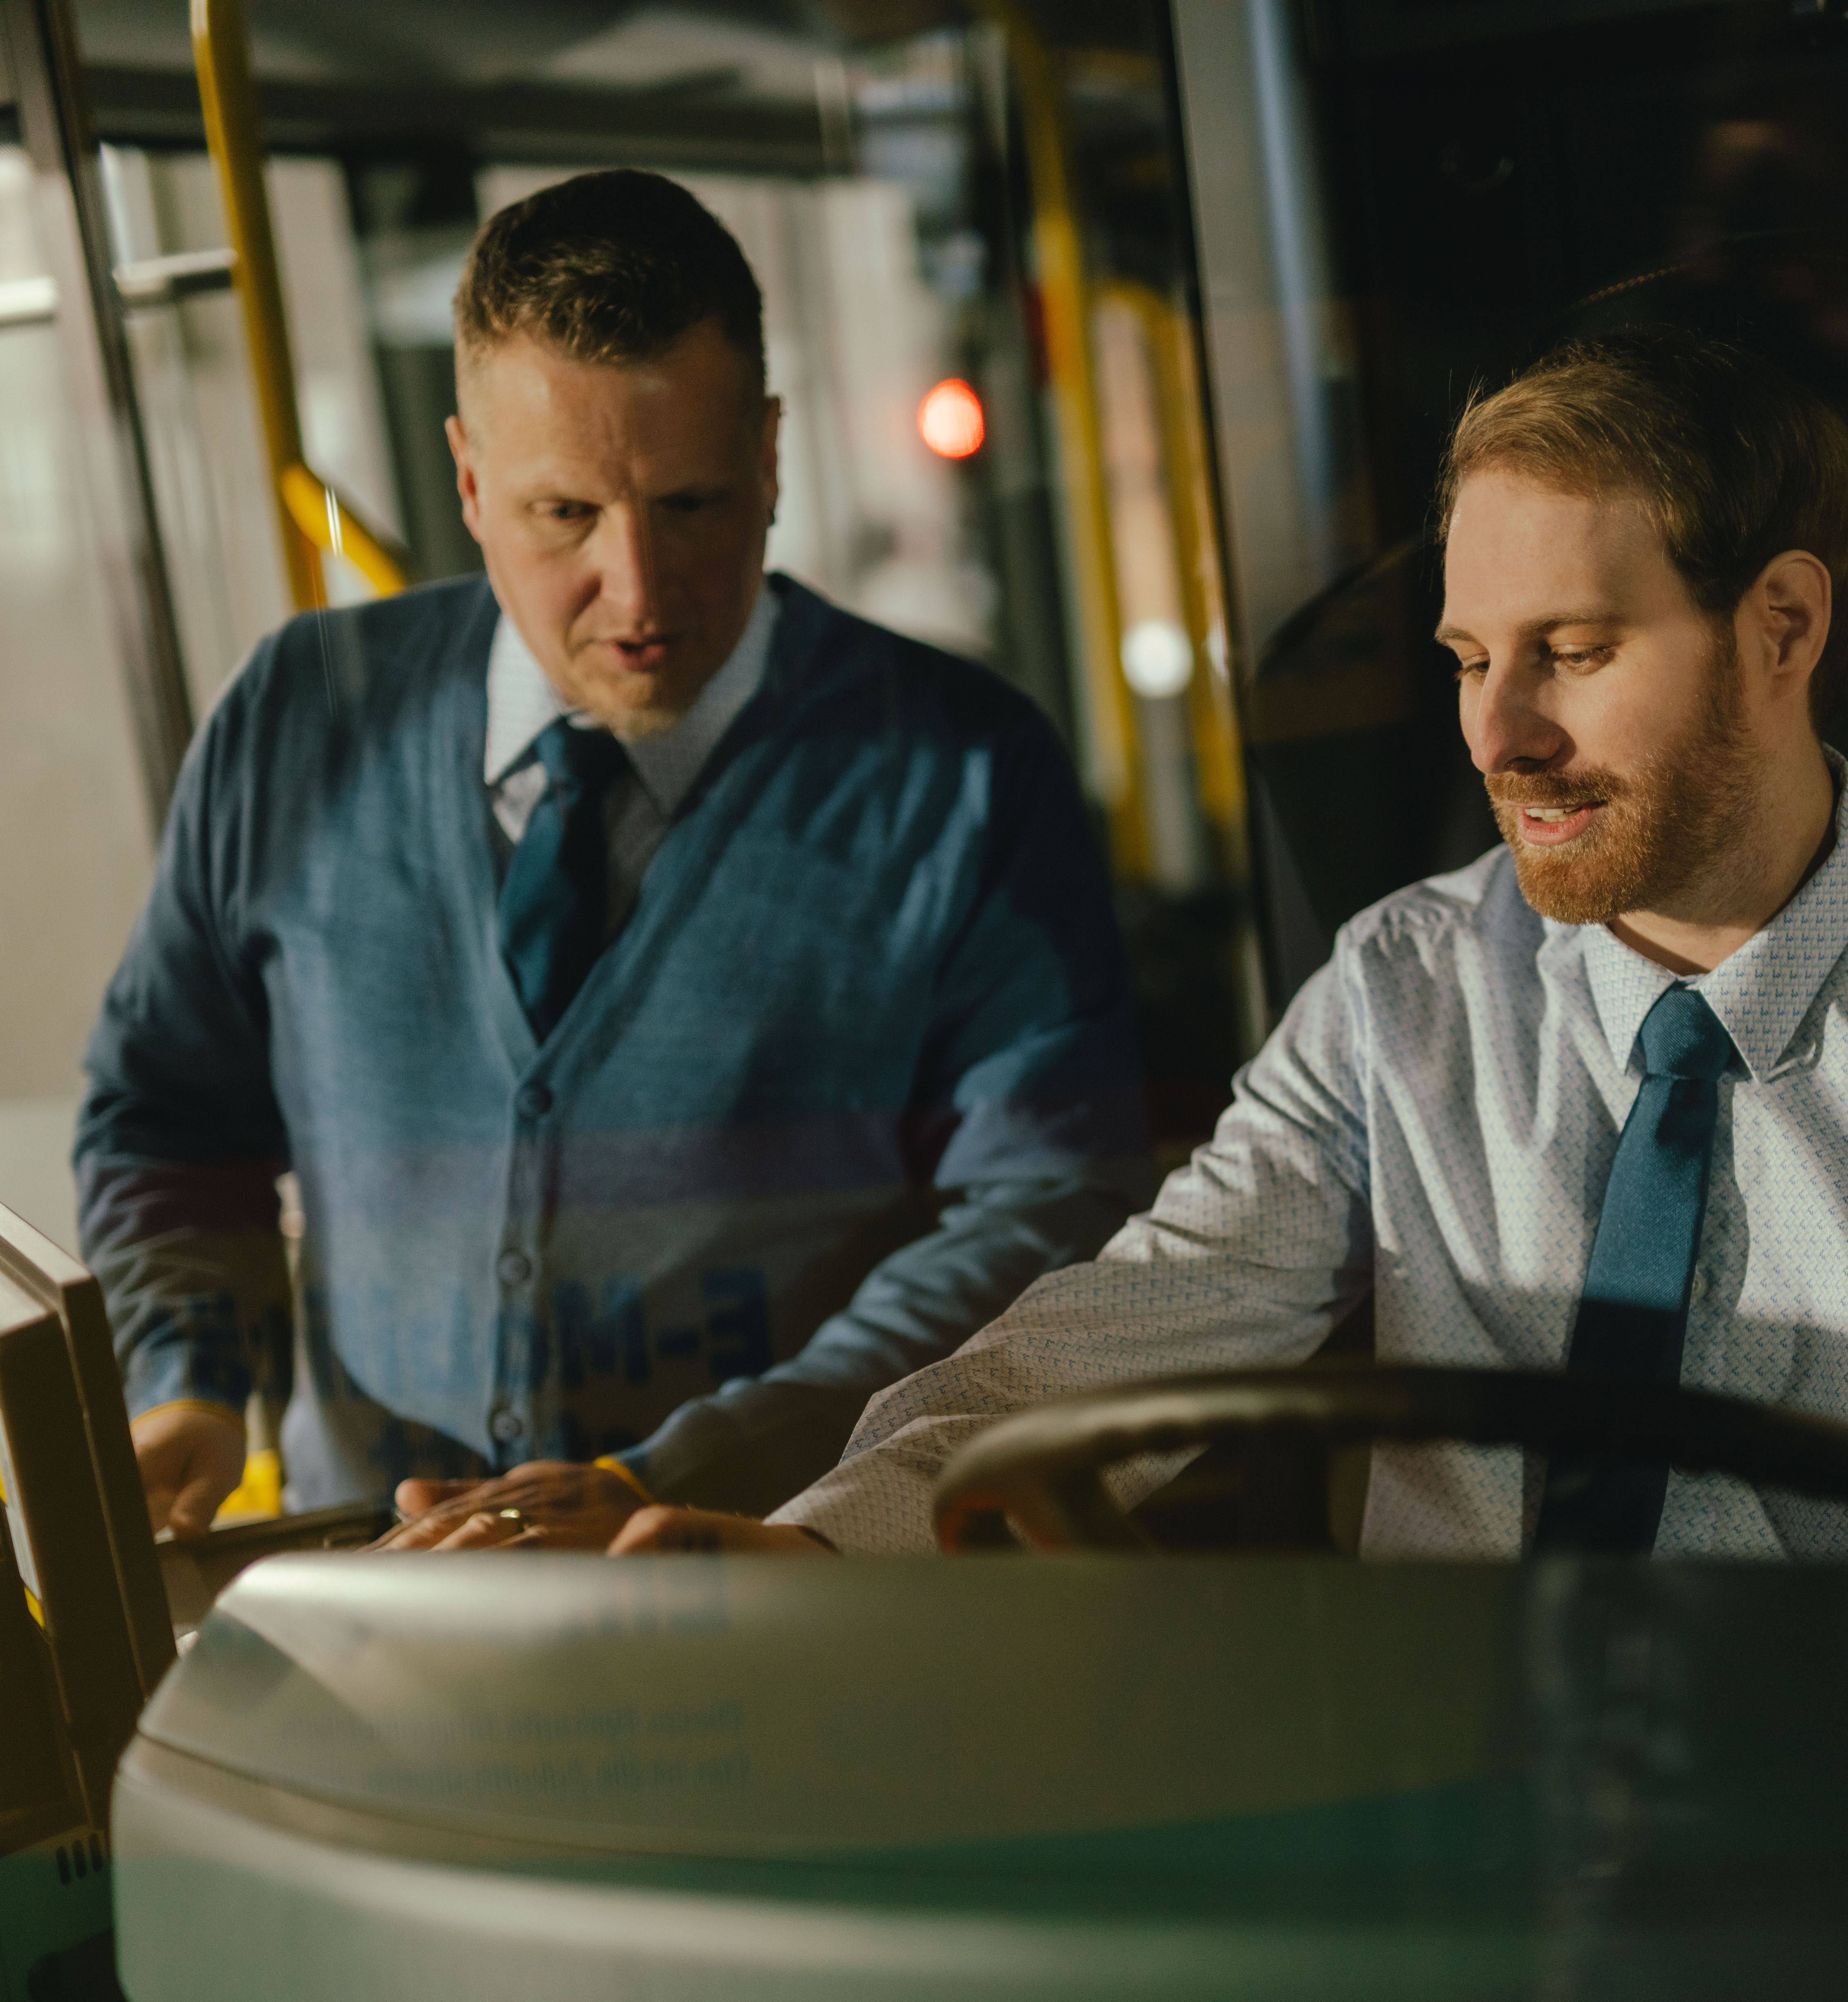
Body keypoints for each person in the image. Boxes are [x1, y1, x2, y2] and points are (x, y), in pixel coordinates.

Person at [543, 325, 1848, 1562]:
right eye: (1467, 659)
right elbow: (1121, 1334)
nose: (1495, 735)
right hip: (1454, 1860)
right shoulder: (1398, 996)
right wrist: (818, 1541)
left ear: (1780, 628)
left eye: (1572, 656)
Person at [76, 170, 1147, 1543]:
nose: (639, 593)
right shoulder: (295, 717)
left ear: (770, 457)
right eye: (566, 516)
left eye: (692, 505)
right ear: (468, 480)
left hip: (779, 1582)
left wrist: (681, 1475)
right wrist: (188, 1378)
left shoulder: (967, 772)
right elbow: (167, 1116)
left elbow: (1045, 1212)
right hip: (376, 1600)